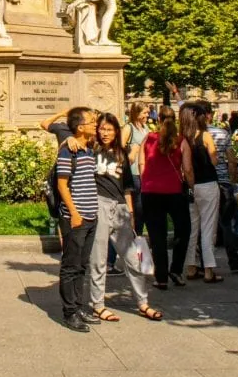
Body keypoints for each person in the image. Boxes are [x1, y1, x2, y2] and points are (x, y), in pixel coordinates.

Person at [85, 112, 161, 322]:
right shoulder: (91, 151)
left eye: (109, 129)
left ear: (116, 131)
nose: (105, 133)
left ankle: (143, 302)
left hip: (119, 208)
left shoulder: (121, 154)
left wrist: (130, 213)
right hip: (99, 205)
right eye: (102, 129)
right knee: (98, 259)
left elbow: (127, 187)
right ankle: (98, 305)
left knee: (131, 259)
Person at [55, 106, 99, 332]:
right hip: (76, 216)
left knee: (82, 265)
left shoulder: (88, 149)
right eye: (91, 122)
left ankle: (79, 307)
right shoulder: (68, 151)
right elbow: (62, 184)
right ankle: (69, 311)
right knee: (71, 265)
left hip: (91, 214)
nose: (95, 125)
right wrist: (73, 212)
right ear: (80, 127)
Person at [139, 106, 193, 288]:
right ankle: (176, 270)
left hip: (150, 192)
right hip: (174, 192)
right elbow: (187, 169)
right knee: (183, 231)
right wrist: (191, 185)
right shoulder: (181, 141)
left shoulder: (149, 138)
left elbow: (141, 164)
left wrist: (147, 181)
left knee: (157, 235)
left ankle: (160, 277)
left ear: (158, 119)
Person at [203, 100, 238, 274]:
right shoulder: (222, 133)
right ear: (210, 115)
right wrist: (233, 181)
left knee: (204, 224)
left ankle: (203, 263)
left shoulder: (195, 135)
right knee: (227, 223)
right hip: (223, 182)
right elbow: (231, 160)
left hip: (204, 182)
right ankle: (233, 261)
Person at [180, 105, 223, 283]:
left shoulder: (182, 139)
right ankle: (208, 270)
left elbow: (186, 168)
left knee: (192, 229)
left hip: (190, 187)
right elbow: (214, 160)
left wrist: (190, 185)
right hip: (208, 184)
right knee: (208, 228)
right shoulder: (204, 135)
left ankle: (190, 267)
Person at [122, 101, 149, 235]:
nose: (147, 115)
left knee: (143, 207)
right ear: (137, 113)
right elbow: (120, 148)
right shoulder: (129, 128)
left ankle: (138, 233)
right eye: (144, 112)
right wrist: (132, 150)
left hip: (145, 171)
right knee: (137, 205)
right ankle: (134, 234)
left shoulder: (145, 127)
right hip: (133, 171)